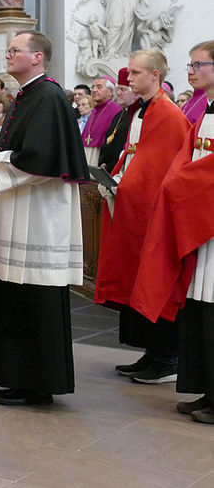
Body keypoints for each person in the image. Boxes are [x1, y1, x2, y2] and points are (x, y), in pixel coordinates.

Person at [0, 31, 89, 407]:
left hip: (40, 215)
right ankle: (18, 376)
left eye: (15, 50)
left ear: (37, 57)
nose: (8, 55)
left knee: (36, 295)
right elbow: (23, 146)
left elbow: (42, 157)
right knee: (16, 292)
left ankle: (39, 383)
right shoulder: (28, 95)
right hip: (22, 210)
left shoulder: (50, 96)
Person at [94, 49, 191, 384]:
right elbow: (134, 158)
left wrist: (128, 185)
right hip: (133, 208)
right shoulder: (140, 111)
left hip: (153, 215)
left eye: (135, 73)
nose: (129, 78)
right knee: (138, 282)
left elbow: (163, 169)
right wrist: (116, 179)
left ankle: (168, 357)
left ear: (155, 75)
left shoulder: (167, 114)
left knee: (157, 282)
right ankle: (151, 352)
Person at [130, 41, 214, 422]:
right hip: (201, 219)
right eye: (190, 64)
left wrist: (179, 185)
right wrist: (176, 183)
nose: (191, 70)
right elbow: (186, 158)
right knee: (199, 307)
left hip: (208, 216)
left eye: (198, 64)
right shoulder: (205, 111)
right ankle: (209, 392)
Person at [99, 67, 138, 170]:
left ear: (134, 93)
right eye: (118, 89)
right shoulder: (119, 115)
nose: (118, 93)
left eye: (123, 89)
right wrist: (103, 162)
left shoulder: (137, 116)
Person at [82, 76, 122, 165]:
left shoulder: (116, 111)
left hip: (101, 157)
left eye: (99, 87)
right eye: (93, 87)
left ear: (110, 92)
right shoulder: (94, 110)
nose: (94, 90)